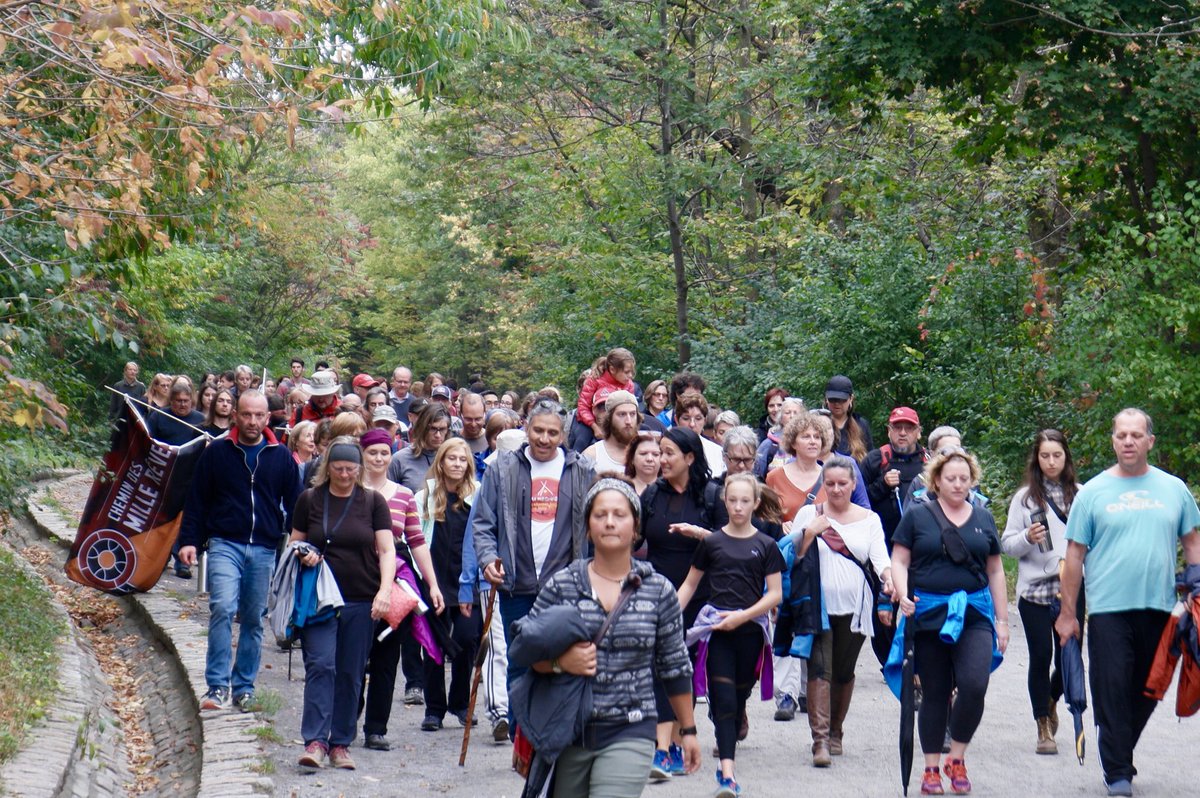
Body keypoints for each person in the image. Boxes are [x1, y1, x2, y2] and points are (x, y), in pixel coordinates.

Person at [509, 477, 700, 797]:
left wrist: (689, 730)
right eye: (600, 515)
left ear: (636, 525)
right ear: (587, 526)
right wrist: (560, 662)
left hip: (632, 727)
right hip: (569, 732)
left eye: (619, 514)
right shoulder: (562, 585)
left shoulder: (658, 589)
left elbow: (675, 666)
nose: (610, 522)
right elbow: (523, 651)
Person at [1054, 409, 1200, 797]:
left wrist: (1197, 583)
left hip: (1160, 608)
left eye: (1136, 435)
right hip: (1107, 610)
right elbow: (1074, 556)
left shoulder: (1174, 489)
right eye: (1122, 435)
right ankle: (1118, 770)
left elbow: (1192, 541)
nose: (1129, 441)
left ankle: (1119, 748)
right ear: (1113, 441)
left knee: (1149, 689)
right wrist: (1069, 614)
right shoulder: (1093, 493)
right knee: (1112, 687)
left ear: (1150, 441)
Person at [889, 448, 1009, 796]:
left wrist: (1002, 621)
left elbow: (995, 570)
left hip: (974, 613)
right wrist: (902, 592)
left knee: (974, 685)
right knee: (935, 693)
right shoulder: (917, 516)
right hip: (928, 615)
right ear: (936, 481)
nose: (958, 484)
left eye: (964, 478)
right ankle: (930, 769)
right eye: (950, 478)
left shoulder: (983, 517)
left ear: (972, 481)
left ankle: (956, 757)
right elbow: (900, 560)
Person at [178, 391, 302, 711]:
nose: (252, 421)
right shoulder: (218, 452)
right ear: (235, 415)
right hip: (224, 542)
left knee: (253, 618)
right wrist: (189, 540)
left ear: (267, 417)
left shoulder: (281, 456)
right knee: (221, 607)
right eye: (246, 415)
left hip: (263, 546)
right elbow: (197, 499)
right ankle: (217, 685)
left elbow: (297, 504)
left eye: (259, 415)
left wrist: (301, 542)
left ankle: (244, 687)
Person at [472, 398, 597, 706]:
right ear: (525, 427)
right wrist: (488, 558)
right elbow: (483, 523)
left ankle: (551, 743)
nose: (544, 438)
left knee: (561, 662)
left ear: (563, 435)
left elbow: (592, 529)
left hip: (565, 587)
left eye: (552, 433)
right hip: (516, 584)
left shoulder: (582, 470)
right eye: (538, 430)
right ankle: (520, 743)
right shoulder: (502, 468)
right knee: (519, 664)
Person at [289, 437, 395, 771]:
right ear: (327, 469)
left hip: (360, 597)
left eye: (351, 469)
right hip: (319, 599)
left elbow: (387, 549)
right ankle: (316, 740)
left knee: (350, 672)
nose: (345, 475)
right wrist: (303, 554)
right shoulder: (310, 499)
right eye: (338, 469)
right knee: (321, 665)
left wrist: (385, 591)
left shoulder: (373, 502)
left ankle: (341, 742)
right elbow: (294, 542)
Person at [675, 473, 784, 796]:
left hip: (750, 632)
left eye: (744, 501)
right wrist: (669, 615)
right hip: (717, 631)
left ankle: (729, 752)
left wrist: (743, 616)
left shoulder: (766, 545)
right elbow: (691, 584)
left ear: (756, 503)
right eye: (732, 500)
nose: (738, 507)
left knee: (737, 700)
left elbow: (774, 594)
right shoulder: (711, 543)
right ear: (724, 501)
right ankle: (727, 774)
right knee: (722, 701)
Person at [790, 457, 891, 765]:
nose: (835, 490)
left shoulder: (869, 519)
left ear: (853, 484)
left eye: (842, 484)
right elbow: (789, 557)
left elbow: (881, 560)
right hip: (816, 605)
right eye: (829, 484)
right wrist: (809, 533)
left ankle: (836, 730)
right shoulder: (809, 513)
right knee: (820, 667)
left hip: (856, 606)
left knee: (843, 671)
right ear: (823, 484)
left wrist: (890, 581)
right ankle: (819, 741)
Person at [357, 428, 444, 748]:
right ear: (362, 454)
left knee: (386, 657)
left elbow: (417, 541)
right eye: (372, 453)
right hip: (355, 583)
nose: (379, 459)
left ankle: (376, 728)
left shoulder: (404, 495)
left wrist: (431, 584)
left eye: (384, 453)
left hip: (394, 585)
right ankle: (351, 709)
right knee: (353, 656)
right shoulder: (351, 490)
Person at [1001, 429, 1082, 756]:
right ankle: (1042, 726)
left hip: (1072, 588)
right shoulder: (1025, 498)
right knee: (1040, 656)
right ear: (1036, 458)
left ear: (1066, 457)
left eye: (1057, 455)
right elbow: (1007, 544)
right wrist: (1027, 538)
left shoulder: (1082, 494)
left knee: (1069, 658)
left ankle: (1051, 699)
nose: (1051, 462)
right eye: (1045, 455)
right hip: (1035, 589)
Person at [639, 426, 714, 779]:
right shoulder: (651, 496)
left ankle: (686, 737)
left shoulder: (712, 497)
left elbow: (734, 544)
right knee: (659, 667)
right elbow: (630, 539)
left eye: (668, 453)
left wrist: (702, 535)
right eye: (658, 452)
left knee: (686, 670)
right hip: (657, 596)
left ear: (689, 457)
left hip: (702, 598)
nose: (660, 459)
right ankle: (661, 748)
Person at [414, 438, 481, 731]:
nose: (456, 464)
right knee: (434, 646)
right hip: (434, 579)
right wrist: (425, 582)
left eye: (462, 459)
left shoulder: (478, 495)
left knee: (467, 639)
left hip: (466, 581)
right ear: (441, 462)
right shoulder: (426, 496)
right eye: (451, 458)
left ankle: (459, 702)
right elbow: (415, 539)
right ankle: (434, 709)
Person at [766, 415, 830, 522]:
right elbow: (767, 519)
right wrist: (779, 526)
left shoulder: (831, 477)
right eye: (806, 437)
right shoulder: (774, 477)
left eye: (817, 437)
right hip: (787, 538)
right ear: (793, 443)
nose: (813, 441)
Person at [573, 348, 637, 452]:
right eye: (626, 372)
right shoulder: (594, 379)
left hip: (619, 422)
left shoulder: (629, 384)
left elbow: (630, 408)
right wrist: (595, 427)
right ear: (612, 369)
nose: (630, 376)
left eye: (632, 372)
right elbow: (583, 406)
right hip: (591, 423)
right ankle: (574, 463)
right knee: (581, 441)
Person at [388, 404, 451, 493]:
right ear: (423, 428)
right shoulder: (400, 459)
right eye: (432, 429)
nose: (438, 435)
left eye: (442, 429)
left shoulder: (454, 459)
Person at [583, 390, 640, 474]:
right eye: (622, 414)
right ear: (609, 419)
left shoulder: (646, 454)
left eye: (632, 414)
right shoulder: (592, 455)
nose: (628, 421)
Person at [823, 376, 874, 463]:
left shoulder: (861, 425)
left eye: (842, 400)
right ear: (826, 399)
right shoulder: (819, 424)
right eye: (832, 399)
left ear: (851, 399)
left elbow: (871, 461)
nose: (837, 403)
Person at [674, 394, 726, 478]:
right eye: (686, 418)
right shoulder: (667, 451)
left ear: (704, 421)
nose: (692, 424)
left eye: (698, 419)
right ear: (676, 420)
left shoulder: (718, 452)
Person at [754, 397, 805, 478]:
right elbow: (756, 475)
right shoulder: (769, 445)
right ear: (780, 418)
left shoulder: (809, 443)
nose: (792, 416)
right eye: (787, 413)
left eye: (796, 413)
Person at [147, 378, 206, 446]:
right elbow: (148, 440)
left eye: (186, 401)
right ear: (171, 400)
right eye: (179, 401)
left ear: (191, 400)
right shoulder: (158, 416)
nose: (183, 404)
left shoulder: (201, 419)